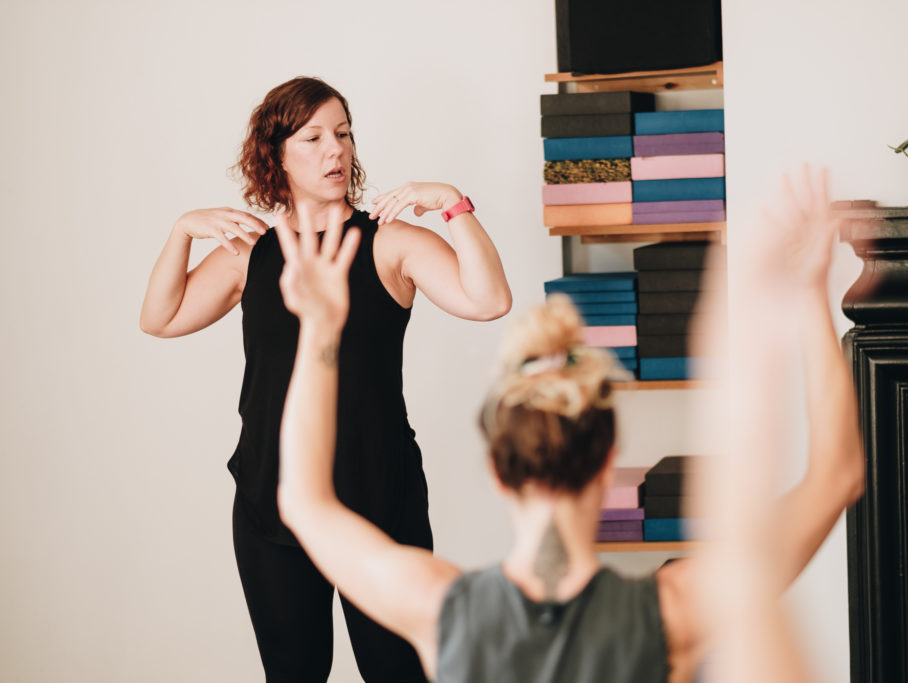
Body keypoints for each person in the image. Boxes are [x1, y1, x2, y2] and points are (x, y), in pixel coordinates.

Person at [276, 166, 865, 682]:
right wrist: (811, 291)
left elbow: (303, 499)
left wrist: (322, 329)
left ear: (495, 470)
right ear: (609, 460)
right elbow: (836, 475)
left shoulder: (442, 611)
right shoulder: (674, 614)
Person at [140, 76, 511, 683]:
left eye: (342, 134)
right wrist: (181, 230)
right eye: (313, 137)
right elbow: (160, 318)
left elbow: (489, 299)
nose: (335, 150)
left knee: (399, 672)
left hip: (380, 497)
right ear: (276, 154)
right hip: (272, 498)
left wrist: (453, 202)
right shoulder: (249, 253)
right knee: (294, 674)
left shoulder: (390, 243)